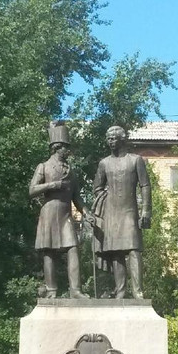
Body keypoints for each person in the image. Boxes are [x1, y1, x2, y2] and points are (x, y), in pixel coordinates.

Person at [29, 121, 88, 299]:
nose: (68, 151)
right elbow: (32, 190)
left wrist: (87, 212)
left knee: (73, 248)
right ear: (57, 147)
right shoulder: (44, 166)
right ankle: (52, 290)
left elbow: (77, 197)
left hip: (65, 214)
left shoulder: (71, 171)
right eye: (65, 148)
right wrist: (53, 185)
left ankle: (75, 290)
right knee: (49, 250)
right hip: (49, 213)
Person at [92, 126, 152, 299]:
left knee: (134, 250)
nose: (110, 141)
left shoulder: (135, 160)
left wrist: (146, 210)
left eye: (113, 138)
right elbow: (97, 187)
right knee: (116, 252)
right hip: (111, 213)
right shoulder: (104, 163)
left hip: (129, 211)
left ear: (122, 139)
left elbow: (145, 185)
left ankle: (138, 292)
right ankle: (120, 291)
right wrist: (104, 197)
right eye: (108, 138)